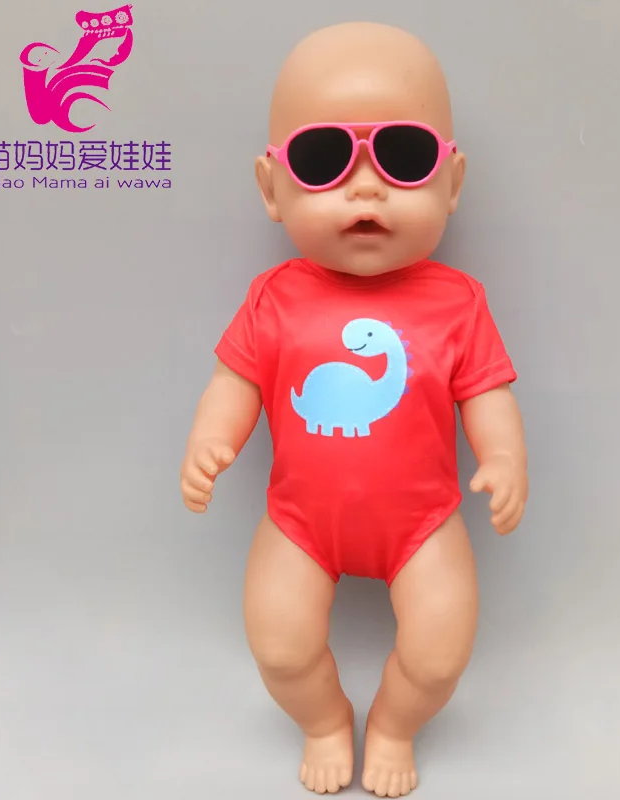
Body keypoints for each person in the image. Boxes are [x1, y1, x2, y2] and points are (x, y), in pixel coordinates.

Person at [179, 21, 529, 797]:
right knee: (280, 648)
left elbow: (487, 393)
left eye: (403, 156)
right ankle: (325, 720)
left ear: (452, 183)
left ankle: (397, 724)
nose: (365, 187)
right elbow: (234, 381)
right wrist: (210, 439)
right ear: (272, 188)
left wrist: (505, 457)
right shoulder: (274, 299)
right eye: (322, 159)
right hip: (299, 522)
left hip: (423, 522)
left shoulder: (458, 303)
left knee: (439, 654)